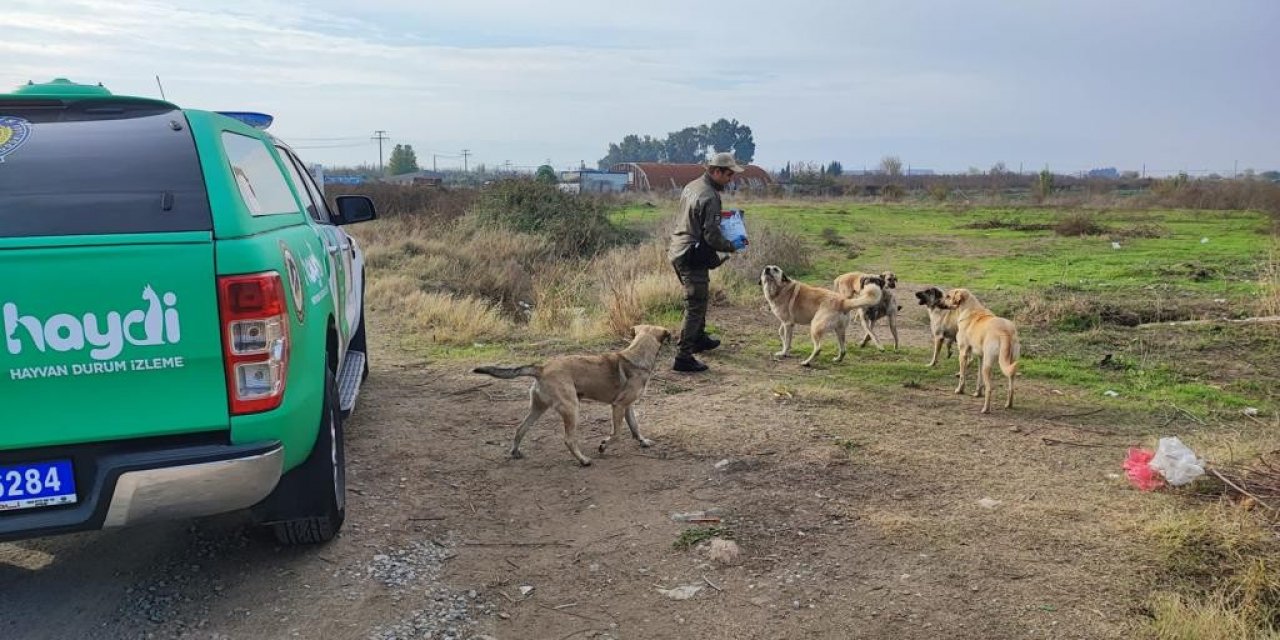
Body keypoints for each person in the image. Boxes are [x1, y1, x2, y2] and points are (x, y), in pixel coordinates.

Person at [667, 152, 747, 372]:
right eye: (728, 174)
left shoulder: (692, 185)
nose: (731, 179)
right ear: (716, 171)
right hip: (692, 254)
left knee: (700, 298)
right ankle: (683, 357)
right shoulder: (710, 196)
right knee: (695, 305)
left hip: (679, 249)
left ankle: (699, 338)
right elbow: (711, 235)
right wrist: (733, 245)